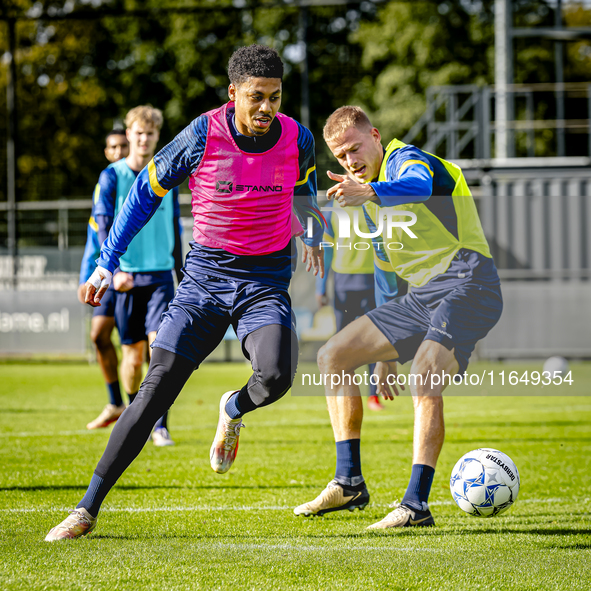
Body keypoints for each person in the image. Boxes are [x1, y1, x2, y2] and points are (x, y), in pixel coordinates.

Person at [45, 44, 323, 541]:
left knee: (278, 376)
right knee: (155, 391)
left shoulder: (298, 139)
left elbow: (307, 192)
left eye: (275, 98)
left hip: (264, 282)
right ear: (233, 92)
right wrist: (107, 261)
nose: (266, 108)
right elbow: (144, 194)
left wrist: (316, 233)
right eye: (256, 97)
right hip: (204, 281)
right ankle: (86, 509)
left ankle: (232, 409)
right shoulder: (201, 135)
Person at [294, 106, 502, 528]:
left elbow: (419, 186)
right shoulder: (370, 196)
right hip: (421, 296)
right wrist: (385, 354)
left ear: (374, 135)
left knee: (424, 374)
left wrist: (369, 193)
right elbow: (388, 271)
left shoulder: (405, 160)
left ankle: (415, 506)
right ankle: (349, 481)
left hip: (469, 280)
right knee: (332, 357)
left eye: (355, 148)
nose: (350, 161)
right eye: (341, 156)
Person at [93, 105, 184, 448]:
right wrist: (111, 271)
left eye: (150, 134)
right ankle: (136, 414)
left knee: (159, 348)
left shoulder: (168, 175)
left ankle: (160, 425)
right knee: (131, 359)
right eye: (138, 133)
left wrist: (180, 272)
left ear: (157, 137)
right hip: (125, 279)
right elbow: (103, 225)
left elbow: (173, 226)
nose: (144, 139)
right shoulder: (112, 176)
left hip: (160, 277)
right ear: (128, 135)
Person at [315, 205, 402, 411]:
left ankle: (374, 395)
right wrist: (321, 286)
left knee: (375, 342)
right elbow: (326, 250)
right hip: (343, 284)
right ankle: (341, 396)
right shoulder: (332, 209)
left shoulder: (378, 203)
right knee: (339, 345)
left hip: (374, 282)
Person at [80, 130, 129, 430]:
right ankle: (116, 402)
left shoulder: (138, 180)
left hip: (135, 274)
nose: (119, 150)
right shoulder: (107, 181)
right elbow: (93, 235)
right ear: (106, 151)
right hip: (109, 273)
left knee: (138, 348)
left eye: (123, 145)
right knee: (99, 335)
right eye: (114, 146)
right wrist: (87, 273)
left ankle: (151, 415)